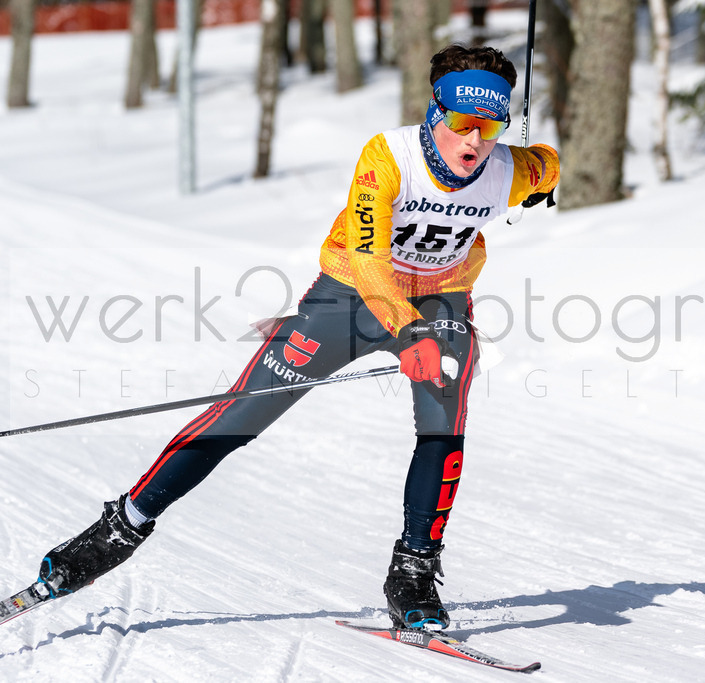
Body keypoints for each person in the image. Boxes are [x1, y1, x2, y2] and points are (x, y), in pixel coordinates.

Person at [32, 44, 559, 631]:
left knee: (442, 428)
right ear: (435, 113)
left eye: (491, 128)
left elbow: (548, 165)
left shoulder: (512, 168)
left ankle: (412, 571)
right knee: (237, 419)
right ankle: (121, 527)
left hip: (441, 303)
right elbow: (368, 258)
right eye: (462, 124)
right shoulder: (389, 158)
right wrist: (407, 331)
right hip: (351, 296)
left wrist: (540, 178)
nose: (474, 143)